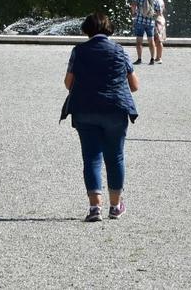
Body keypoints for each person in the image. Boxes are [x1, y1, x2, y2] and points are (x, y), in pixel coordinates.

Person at [62, 11, 139, 222]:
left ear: (86, 30)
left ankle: (95, 207)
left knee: (91, 158)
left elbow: (68, 83)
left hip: (85, 109)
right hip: (115, 108)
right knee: (115, 157)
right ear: (108, 29)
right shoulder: (119, 51)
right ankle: (115, 206)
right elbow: (134, 85)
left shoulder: (79, 51)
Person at [128, 0, 163, 65]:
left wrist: (133, 13)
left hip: (140, 21)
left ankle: (139, 59)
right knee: (151, 41)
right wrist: (153, 17)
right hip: (150, 22)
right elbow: (159, 12)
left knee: (139, 41)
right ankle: (152, 59)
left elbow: (133, 4)